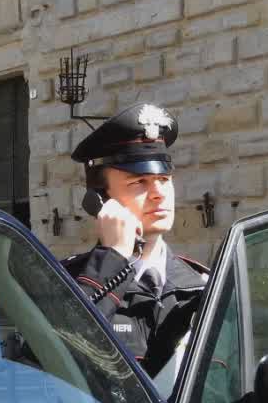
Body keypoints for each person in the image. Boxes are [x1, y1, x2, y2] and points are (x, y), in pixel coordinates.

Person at [60, 103, 209, 377]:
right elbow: (58, 360)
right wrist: (112, 259)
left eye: (164, 179)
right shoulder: (68, 282)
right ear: (100, 200)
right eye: (139, 182)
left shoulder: (202, 287)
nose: (158, 193)